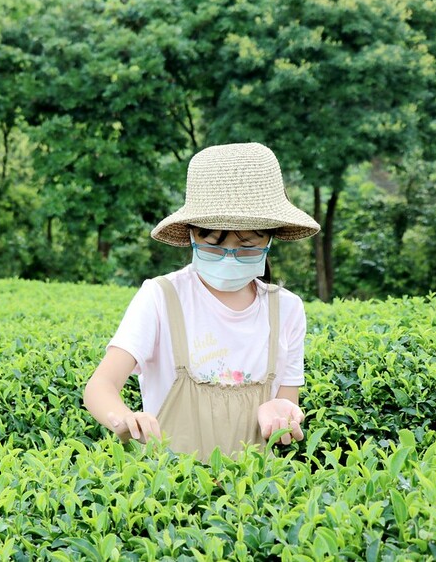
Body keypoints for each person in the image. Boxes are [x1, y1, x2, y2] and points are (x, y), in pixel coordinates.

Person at [83, 142, 321, 461]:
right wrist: (122, 417)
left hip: (253, 496)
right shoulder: (162, 297)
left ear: (271, 238)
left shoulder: (287, 310)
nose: (230, 256)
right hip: (169, 492)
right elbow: (100, 386)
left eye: (247, 245)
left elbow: (287, 405)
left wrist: (281, 413)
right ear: (193, 235)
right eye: (215, 245)